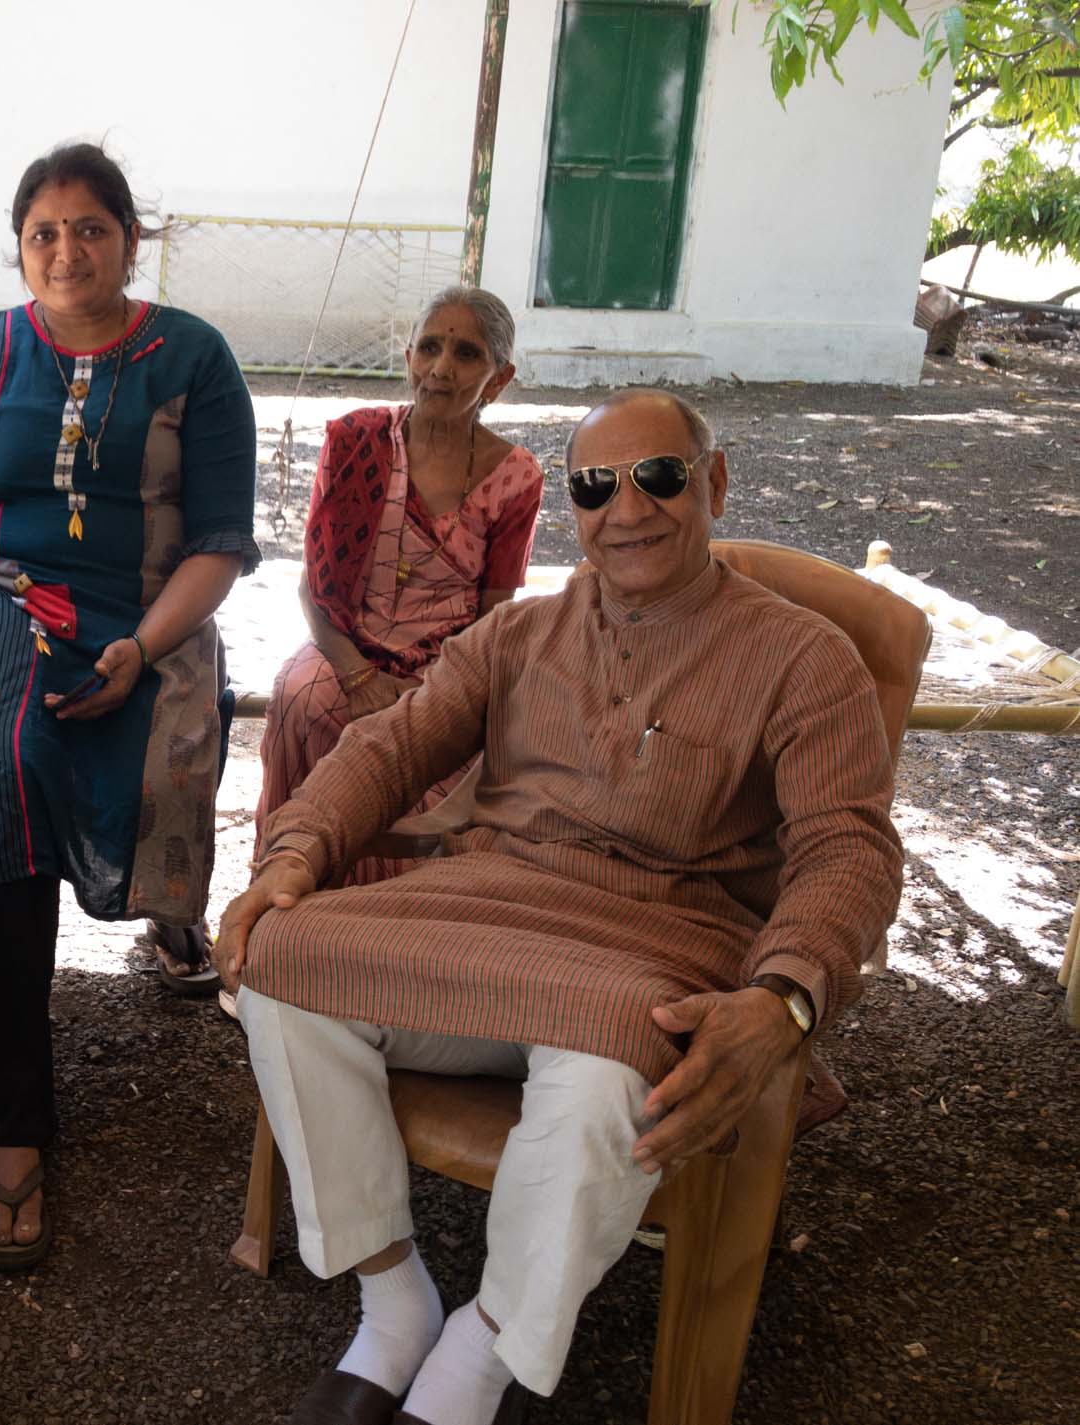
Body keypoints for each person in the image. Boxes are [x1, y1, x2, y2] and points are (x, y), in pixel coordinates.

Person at [216, 388, 905, 1425]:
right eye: (595, 487)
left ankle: (475, 1359)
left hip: (657, 944)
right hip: (489, 909)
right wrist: (295, 851)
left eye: (659, 477)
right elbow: (394, 743)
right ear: (571, 510)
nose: (627, 509)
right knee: (280, 962)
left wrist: (786, 996)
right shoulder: (520, 634)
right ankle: (393, 1299)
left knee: (603, 1087)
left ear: (712, 483)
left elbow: (846, 843)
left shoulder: (804, 659)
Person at [0, 141, 258, 1270]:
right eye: (42, 231)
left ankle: (142, 933)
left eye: (89, 227)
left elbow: (219, 543)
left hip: (148, 606)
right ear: (20, 247)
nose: (65, 249)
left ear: (129, 241)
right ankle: (11, 1118)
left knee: (148, 725)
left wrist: (145, 645)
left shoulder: (192, 355)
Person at [258, 286, 542, 886]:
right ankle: (292, 890)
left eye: (467, 354)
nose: (442, 368)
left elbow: (497, 614)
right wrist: (358, 674)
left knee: (436, 737)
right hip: (346, 647)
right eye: (430, 348)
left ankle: (389, 917)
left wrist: (449, 690)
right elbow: (314, 589)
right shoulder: (355, 441)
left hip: (449, 664)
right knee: (303, 696)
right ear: (409, 355)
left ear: (498, 378)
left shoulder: (515, 476)